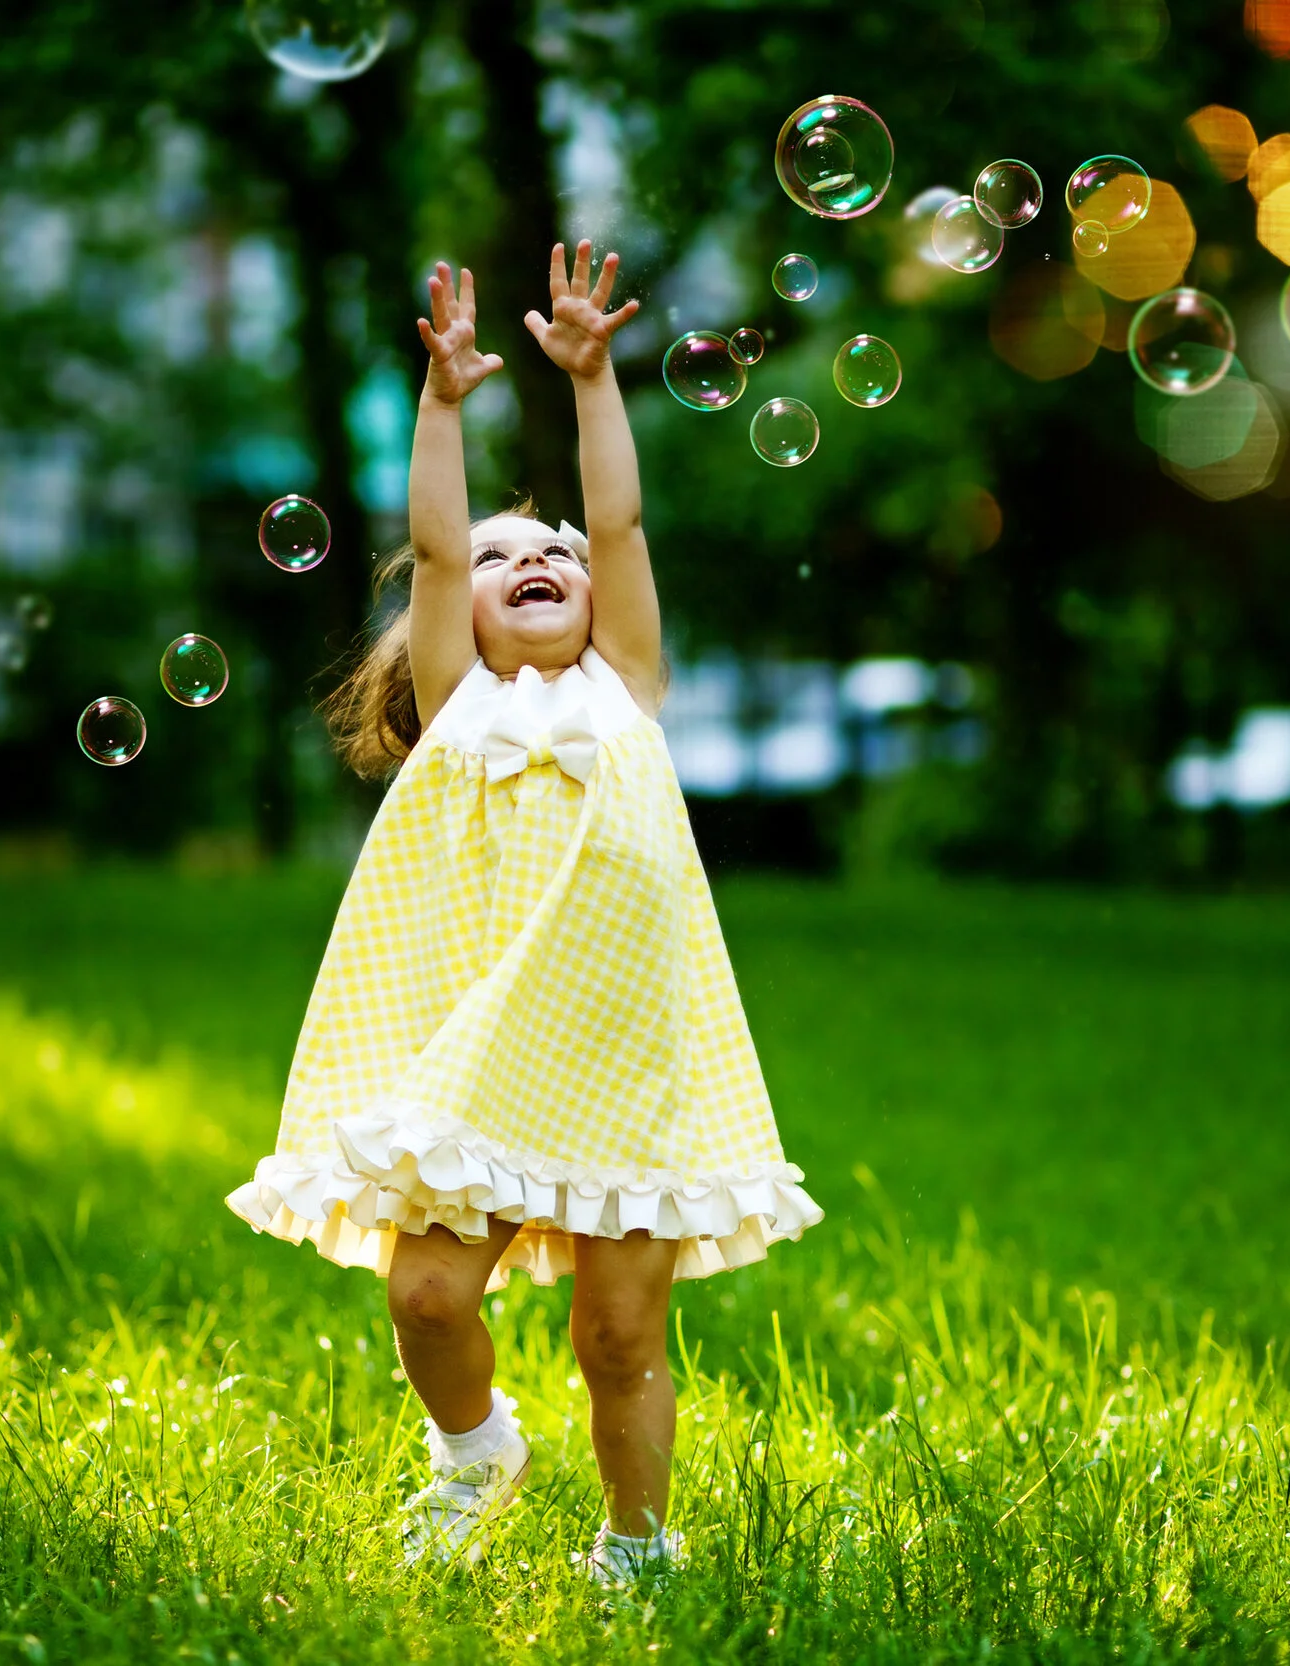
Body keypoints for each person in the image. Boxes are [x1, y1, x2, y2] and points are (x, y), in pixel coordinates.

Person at [226, 243, 821, 1585]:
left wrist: (594, 379)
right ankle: (476, 1443)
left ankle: (638, 1541)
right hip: (481, 1058)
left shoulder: (628, 690)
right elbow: (437, 538)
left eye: (555, 550)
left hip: (629, 1058)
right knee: (427, 1291)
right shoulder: (465, 704)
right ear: (460, 614)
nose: (540, 556)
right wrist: (443, 402)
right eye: (506, 557)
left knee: (619, 1336)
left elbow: (621, 524)